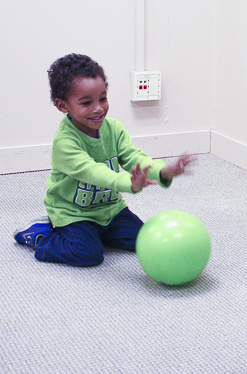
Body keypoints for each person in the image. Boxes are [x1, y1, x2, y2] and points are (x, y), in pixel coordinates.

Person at [14, 53, 195, 267]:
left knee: (146, 240)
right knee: (89, 254)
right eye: (86, 102)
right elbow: (94, 172)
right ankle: (41, 236)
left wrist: (161, 171)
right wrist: (129, 184)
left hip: (110, 209)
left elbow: (134, 157)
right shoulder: (65, 143)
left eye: (103, 98)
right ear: (63, 106)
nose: (98, 108)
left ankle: (99, 234)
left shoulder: (114, 129)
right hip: (73, 213)